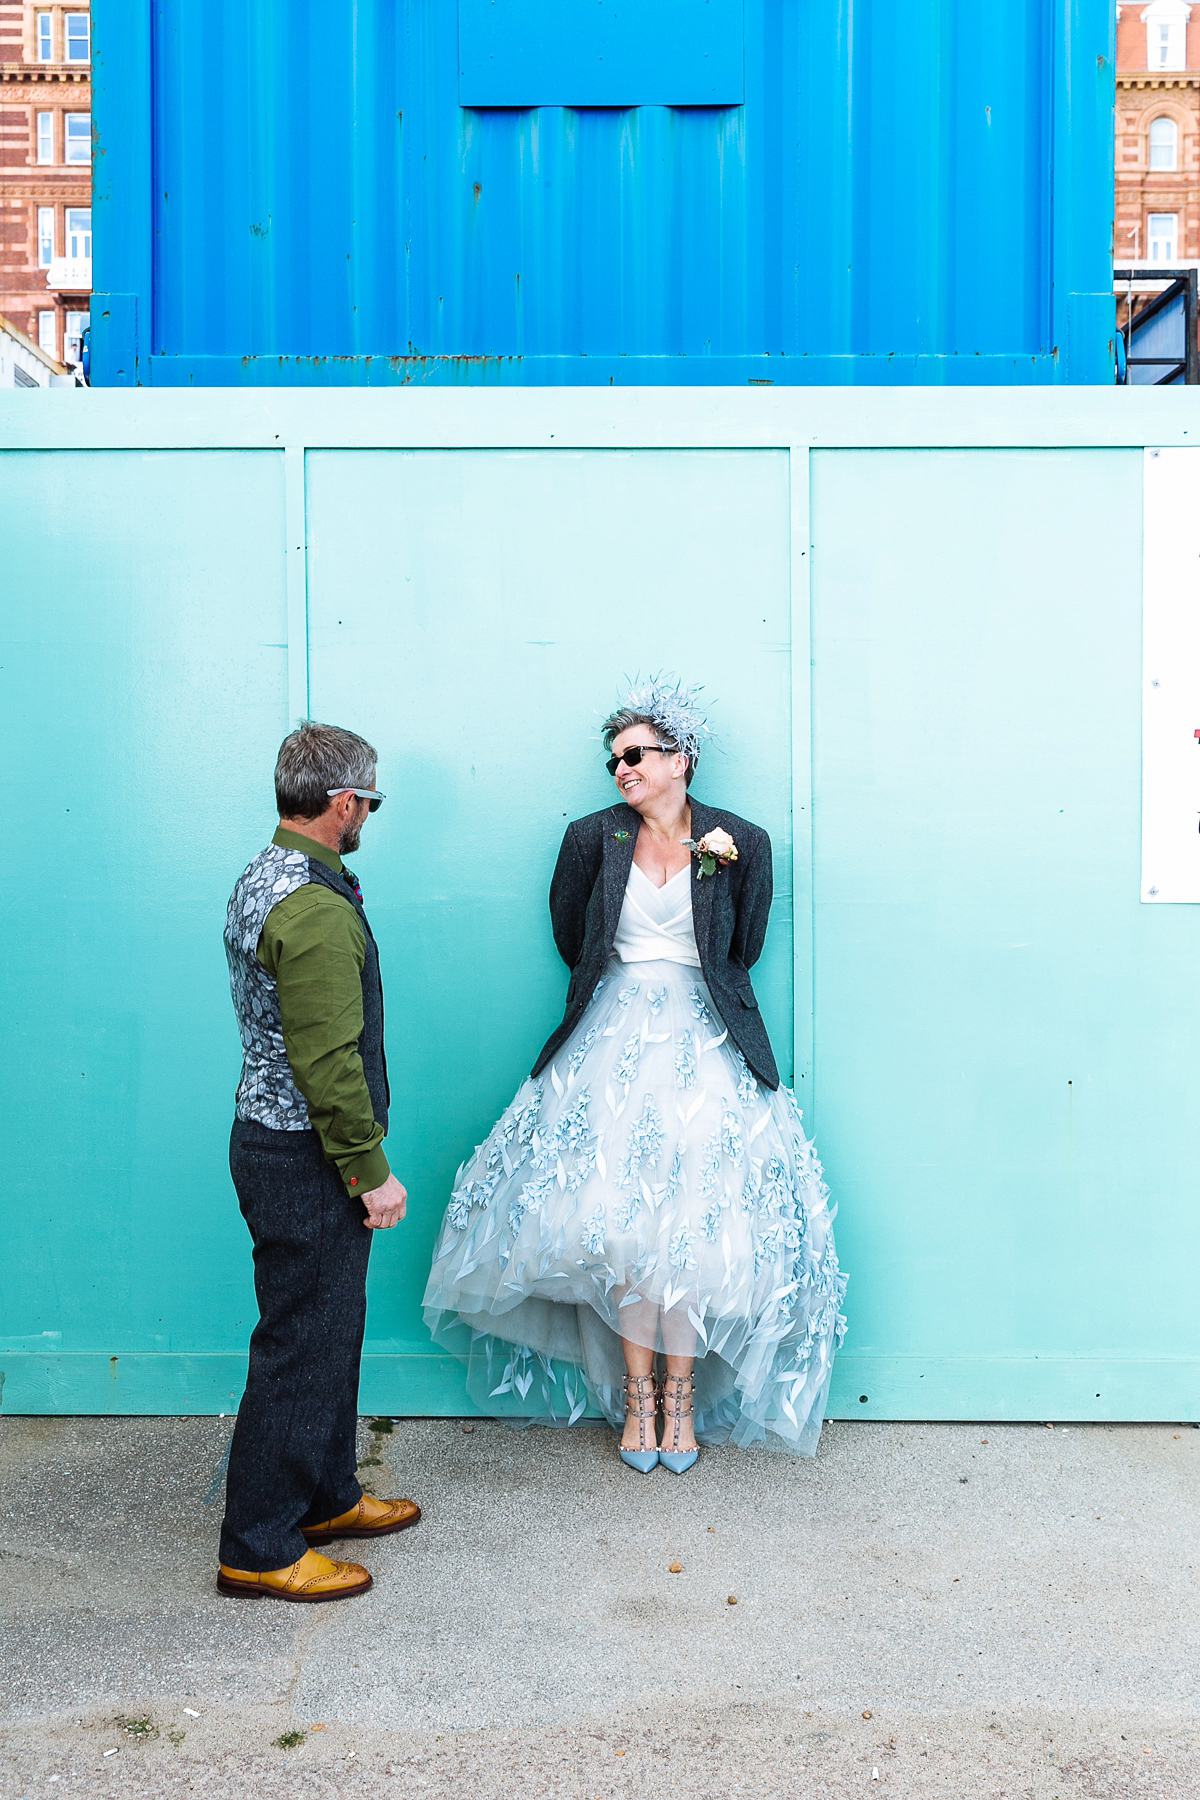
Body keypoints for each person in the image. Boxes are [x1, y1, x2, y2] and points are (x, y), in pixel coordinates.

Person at [423, 678, 846, 1472]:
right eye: (613, 758)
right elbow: (570, 934)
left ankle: (680, 1406)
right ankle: (637, 1399)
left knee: (689, 1230)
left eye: (636, 754)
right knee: (621, 1227)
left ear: (681, 759)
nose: (622, 768)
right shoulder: (591, 838)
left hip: (707, 1038)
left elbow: (741, 949)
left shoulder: (740, 841)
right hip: (610, 1039)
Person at [217, 721, 419, 1601]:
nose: (367, 814)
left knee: (330, 1330)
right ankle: (259, 1546)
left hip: (284, 1145)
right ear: (344, 804)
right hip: (307, 1157)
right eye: (367, 802)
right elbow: (328, 1065)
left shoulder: (268, 874)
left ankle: (327, 1494)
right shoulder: (312, 908)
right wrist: (370, 1173)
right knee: (302, 1345)